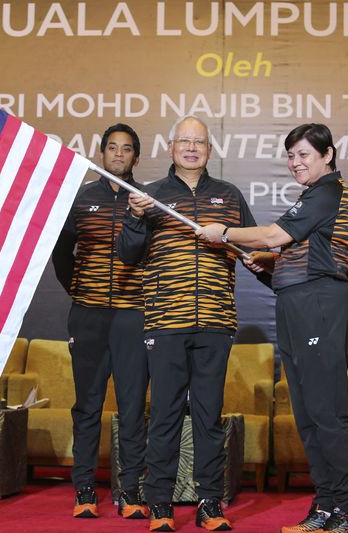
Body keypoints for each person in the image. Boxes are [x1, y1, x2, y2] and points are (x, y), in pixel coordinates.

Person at [198, 123, 348, 533]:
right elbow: (302, 252)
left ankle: (345, 509)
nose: (295, 163)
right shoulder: (313, 196)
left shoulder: (328, 191)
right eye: (291, 156)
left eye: (304, 154)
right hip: (297, 305)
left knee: (326, 412)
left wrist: (225, 234)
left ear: (327, 155)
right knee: (307, 415)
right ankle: (325, 506)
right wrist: (272, 264)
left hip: (320, 306)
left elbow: (273, 235)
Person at [118, 116, 262, 532]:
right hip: (165, 323)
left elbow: (252, 249)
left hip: (215, 322)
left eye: (199, 142)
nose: (192, 148)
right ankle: (160, 502)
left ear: (210, 150)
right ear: (171, 146)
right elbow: (128, 255)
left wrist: (271, 268)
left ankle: (209, 502)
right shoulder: (148, 196)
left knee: (208, 416)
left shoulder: (228, 195)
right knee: (163, 414)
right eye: (185, 141)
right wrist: (134, 217)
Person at [51, 123, 149, 520]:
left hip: (132, 317)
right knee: (87, 407)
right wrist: (79, 290)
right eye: (112, 148)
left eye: (127, 149)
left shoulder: (146, 201)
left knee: (131, 408)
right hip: (88, 316)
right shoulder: (80, 200)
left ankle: (129, 492)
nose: (119, 155)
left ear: (136, 158)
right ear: (102, 153)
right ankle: (85, 490)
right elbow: (61, 254)